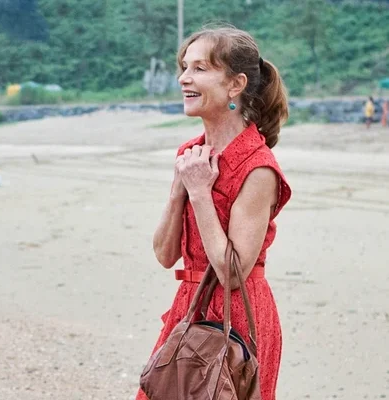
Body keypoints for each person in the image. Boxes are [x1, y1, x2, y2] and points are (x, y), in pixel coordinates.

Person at [136, 25, 292, 400]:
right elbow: (164, 255)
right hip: (189, 307)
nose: (183, 78)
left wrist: (200, 193)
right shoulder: (191, 154)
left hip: (237, 318)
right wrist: (179, 190)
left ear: (235, 84)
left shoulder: (257, 167)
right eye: (184, 67)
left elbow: (232, 273)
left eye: (200, 68)